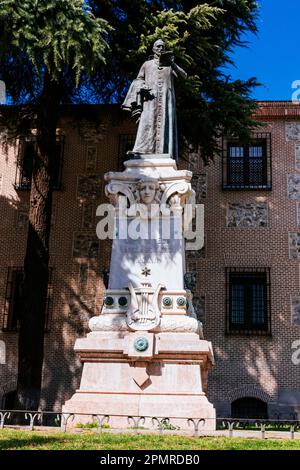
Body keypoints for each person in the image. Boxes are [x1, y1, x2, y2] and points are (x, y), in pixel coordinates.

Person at [122, 39, 187, 161]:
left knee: (165, 124)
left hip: (166, 101)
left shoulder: (169, 66)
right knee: (146, 122)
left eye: (163, 46)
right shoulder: (147, 65)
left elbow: (184, 76)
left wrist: (173, 64)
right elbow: (138, 79)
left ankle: (164, 151)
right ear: (153, 49)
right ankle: (140, 150)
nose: (161, 48)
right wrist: (141, 85)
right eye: (158, 46)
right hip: (150, 99)